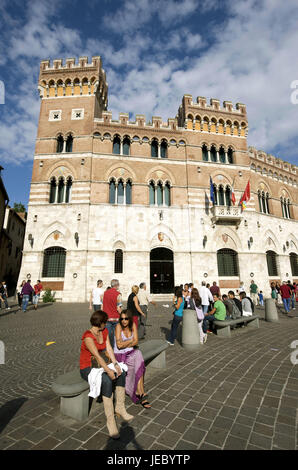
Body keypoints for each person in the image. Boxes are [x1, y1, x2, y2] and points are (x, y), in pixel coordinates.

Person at [80, 310, 133, 439]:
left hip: (101, 365)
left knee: (121, 371)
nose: (107, 323)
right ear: (101, 323)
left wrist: (115, 364)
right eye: (106, 321)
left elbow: (108, 348)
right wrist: (109, 371)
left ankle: (120, 407)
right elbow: (97, 356)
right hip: (88, 368)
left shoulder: (104, 332)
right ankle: (110, 421)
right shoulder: (88, 336)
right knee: (107, 380)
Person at [114, 309, 151, 408]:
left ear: (130, 319)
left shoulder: (133, 325)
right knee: (138, 358)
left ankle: (140, 391)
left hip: (130, 353)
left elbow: (136, 342)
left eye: (126, 319)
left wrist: (126, 342)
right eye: (121, 319)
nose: (124, 321)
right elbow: (119, 346)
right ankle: (141, 392)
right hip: (120, 356)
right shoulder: (118, 327)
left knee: (138, 355)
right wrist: (131, 341)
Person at [102, 279, 122, 348]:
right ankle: (116, 350)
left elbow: (103, 305)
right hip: (116, 318)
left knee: (108, 336)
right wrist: (123, 315)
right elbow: (118, 308)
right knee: (117, 336)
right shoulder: (118, 294)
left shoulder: (105, 293)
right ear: (116, 285)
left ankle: (109, 349)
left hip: (107, 318)